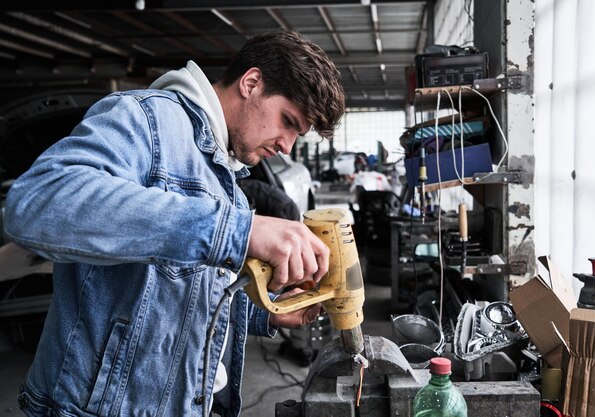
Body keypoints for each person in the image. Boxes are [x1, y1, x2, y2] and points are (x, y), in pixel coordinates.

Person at [3, 31, 345, 417]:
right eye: (288, 121)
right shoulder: (145, 119)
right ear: (251, 83)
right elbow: (39, 203)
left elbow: (174, 289)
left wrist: (260, 311)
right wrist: (239, 231)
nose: (287, 146)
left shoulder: (225, 167)